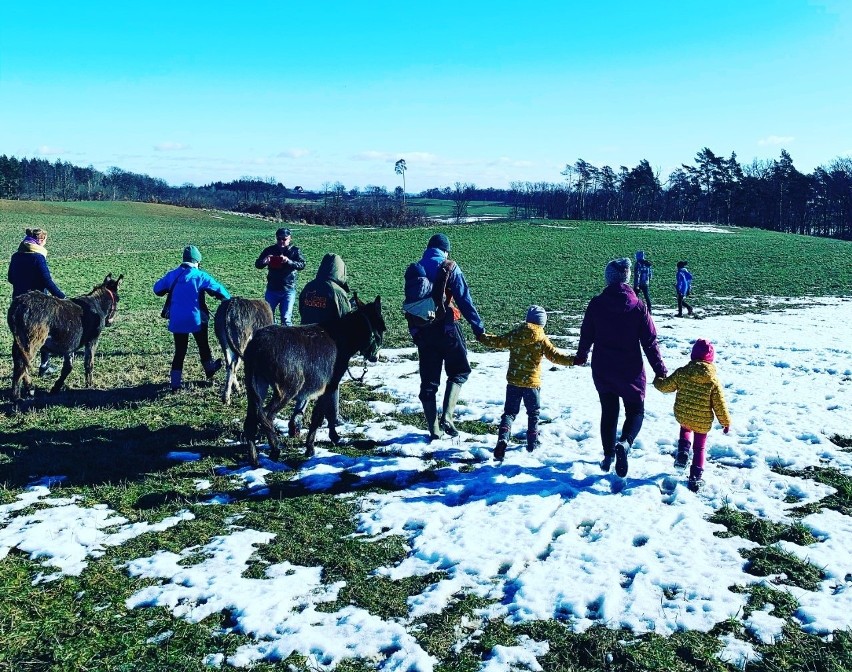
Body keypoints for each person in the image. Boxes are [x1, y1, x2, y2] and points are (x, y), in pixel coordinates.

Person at [574, 257, 668, 478]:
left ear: (608, 278)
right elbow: (650, 341)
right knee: (635, 410)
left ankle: (608, 455)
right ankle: (625, 444)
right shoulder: (638, 306)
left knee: (609, 411)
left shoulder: (596, 304)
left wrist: (581, 356)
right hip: (630, 369)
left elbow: (586, 333)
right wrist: (659, 368)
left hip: (603, 367)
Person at [404, 233, 485, 441]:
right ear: (445, 249)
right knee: (459, 371)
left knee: (429, 382)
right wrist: (478, 327)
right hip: (448, 328)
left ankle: (434, 431)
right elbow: (464, 300)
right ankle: (447, 416)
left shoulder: (416, 269)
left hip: (423, 331)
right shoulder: (450, 267)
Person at [479, 305, 575, 460]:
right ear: (542, 323)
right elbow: (555, 356)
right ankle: (532, 442)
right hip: (532, 384)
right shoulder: (542, 338)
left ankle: (503, 439)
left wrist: (482, 336)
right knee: (533, 413)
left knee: (509, 413)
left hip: (514, 382)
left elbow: (498, 341)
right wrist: (573, 360)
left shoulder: (516, 333)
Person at [654, 338, 731, 492]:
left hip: (684, 415)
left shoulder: (682, 372)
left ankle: (682, 452)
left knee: (685, 429)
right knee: (699, 448)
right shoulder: (713, 381)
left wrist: (658, 380)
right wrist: (725, 422)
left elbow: (666, 386)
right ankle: (695, 478)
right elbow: (719, 404)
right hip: (702, 422)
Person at [291, 253, 353, 435]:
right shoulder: (337, 292)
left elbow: (302, 308)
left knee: (306, 381)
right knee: (332, 381)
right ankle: (334, 417)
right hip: (327, 345)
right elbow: (345, 319)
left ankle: (298, 413)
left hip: (305, 340)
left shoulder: (309, 287)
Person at [154, 245, 231, 391]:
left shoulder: (173, 274)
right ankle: (209, 369)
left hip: (177, 320)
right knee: (203, 345)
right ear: (197, 261)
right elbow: (222, 293)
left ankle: (175, 384)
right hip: (197, 319)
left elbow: (157, 289)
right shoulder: (200, 275)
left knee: (180, 351)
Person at [7, 227, 66, 376]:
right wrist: (61, 296)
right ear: (40, 241)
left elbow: (10, 278)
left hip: (18, 303)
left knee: (20, 339)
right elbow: (47, 281)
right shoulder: (38, 257)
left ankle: (21, 369)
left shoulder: (16, 256)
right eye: (45, 240)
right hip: (37, 305)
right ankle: (44, 366)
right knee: (43, 336)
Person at [255, 227, 306, 325]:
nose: (281, 241)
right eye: (279, 239)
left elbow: (302, 265)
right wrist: (264, 261)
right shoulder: (269, 250)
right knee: (268, 318)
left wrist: (288, 261)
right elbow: (257, 264)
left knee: (286, 319)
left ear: (290, 238)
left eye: (284, 239)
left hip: (288, 289)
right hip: (272, 289)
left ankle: (288, 339)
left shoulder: (295, 251)